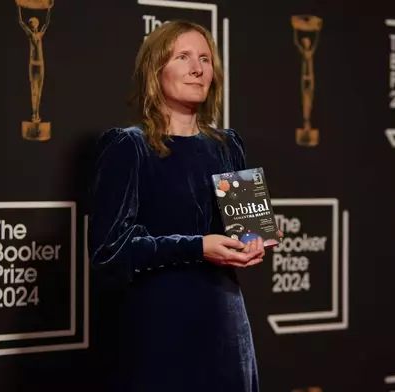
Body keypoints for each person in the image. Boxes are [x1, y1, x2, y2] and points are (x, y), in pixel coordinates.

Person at [87, 20, 264, 392]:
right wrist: (198, 246)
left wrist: (254, 243)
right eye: (182, 57)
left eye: (204, 59)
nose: (197, 69)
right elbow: (108, 252)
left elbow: (249, 229)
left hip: (225, 327)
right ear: (156, 70)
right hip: (158, 326)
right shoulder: (128, 146)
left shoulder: (228, 144)